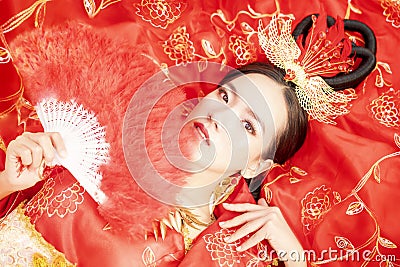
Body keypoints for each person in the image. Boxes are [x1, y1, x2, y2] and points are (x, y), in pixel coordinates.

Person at [0, 19, 309, 266]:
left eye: (247, 125)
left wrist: (295, 257)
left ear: (258, 163)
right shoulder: (106, 131)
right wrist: (9, 182)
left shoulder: (225, 250)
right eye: (224, 96)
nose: (220, 117)